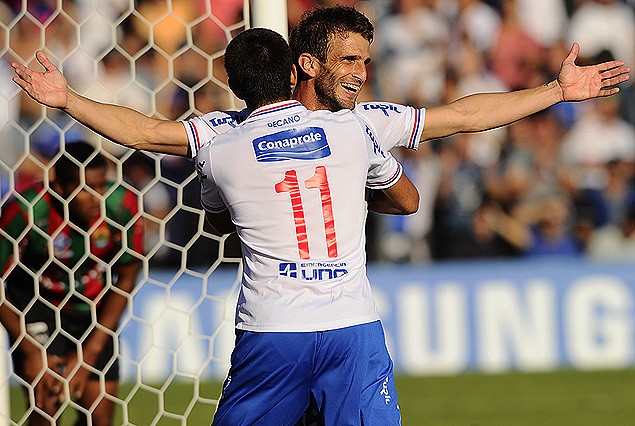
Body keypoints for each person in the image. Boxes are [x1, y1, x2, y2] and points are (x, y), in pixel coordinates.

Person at [10, 6, 629, 161]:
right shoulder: (232, 128)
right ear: (307, 65)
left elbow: (463, 115)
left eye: (366, 62)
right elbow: (146, 131)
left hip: (348, 329)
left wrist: (555, 91)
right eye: (350, 62)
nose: (363, 75)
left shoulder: (367, 122)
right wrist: (67, 100)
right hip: (268, 334)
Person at [197, 27, 418, 425]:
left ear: (232, 84)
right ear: (293, 74)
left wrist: (68, 99)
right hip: (351, 324)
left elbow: (217, 224)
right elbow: (409, 200)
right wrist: (352, 196)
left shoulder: (217, 151)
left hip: (272, 326)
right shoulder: (351, 128)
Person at [0, 141, 144, 426]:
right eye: (86, 190)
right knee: (47, 403)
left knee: (99, 416)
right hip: (36, 306)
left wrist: (88, 354)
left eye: (101, 186)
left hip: (92, 310)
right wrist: (28, 349)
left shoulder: (122, 206)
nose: (97, 198)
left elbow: (126, 276)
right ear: (60, 187)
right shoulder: (26, 210)